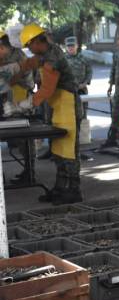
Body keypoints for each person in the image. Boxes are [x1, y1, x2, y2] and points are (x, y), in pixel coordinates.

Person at [18, 24, 82, 204]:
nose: (29, 49)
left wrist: (27, 104)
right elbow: (29, 64)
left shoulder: (53, 57)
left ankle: (74, 190)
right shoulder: (43, 54)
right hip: (58, 107)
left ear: (37, 41)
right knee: (58, 150)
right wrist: (13, 71)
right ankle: (61, 188)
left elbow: (47, 88)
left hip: (69, 106)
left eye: (29, 45)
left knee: (69, 151)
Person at [0, 30, 37, 183]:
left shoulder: (19, 57)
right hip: (8, 101)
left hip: (21, 101)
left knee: (25, 139)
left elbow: (16, 80)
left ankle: (30, 172)